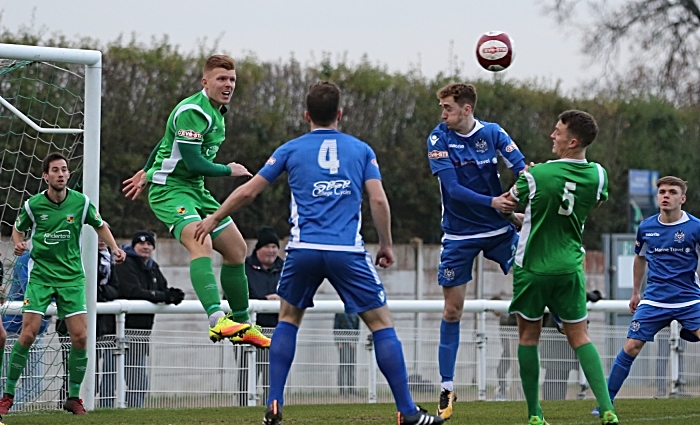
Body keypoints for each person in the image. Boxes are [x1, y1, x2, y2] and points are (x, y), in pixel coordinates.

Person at [194, 81, 445, 425]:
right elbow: (378, 200)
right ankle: (407, 411)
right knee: (381, 324)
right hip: (346, 251)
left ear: (306, 115)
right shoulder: (361, 150)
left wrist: (214, 218)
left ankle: (275, 404)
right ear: (340, 114)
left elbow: (250, 192)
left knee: (288, 320)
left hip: (303, 251)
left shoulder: (290, 150)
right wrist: (385, 243)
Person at [121, 54, 269, 349]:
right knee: (202, 241)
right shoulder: (194, 111)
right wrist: (230, 169)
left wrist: (146, 169)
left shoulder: (217, 111)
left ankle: (240, 324)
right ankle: (217, 319)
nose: (228, 85)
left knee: (237, 249)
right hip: (170, 190)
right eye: (221, 79)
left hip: (195, 189)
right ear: (206, 82)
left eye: (232, 80)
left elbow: (165, 143)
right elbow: (193, 160)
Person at [503, 110, 618, 425]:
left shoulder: (536, 175)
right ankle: (607, 408)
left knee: (528, 337)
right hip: (569, 266)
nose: (553, 135)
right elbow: (587, 204)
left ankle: (535, 414)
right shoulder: (598, 175)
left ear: (573, 141)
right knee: (579, 336)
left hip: (533, 267)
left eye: (558, 132)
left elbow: (507, 202)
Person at [425, 82, 525, 420]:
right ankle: (447, 387)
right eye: (442, 108)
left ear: (467, 109)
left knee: (533, 280)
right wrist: (495, 202)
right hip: (459, 236)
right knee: (452, 311)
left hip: (499, 230)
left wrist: (516, 203)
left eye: (448, 108)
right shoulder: (439, 138)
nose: (443, 114)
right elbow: (451, 189)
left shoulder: (493, 133)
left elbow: (522, 170)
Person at [0, 152, 126, 416]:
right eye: (55, 170)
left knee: (80, 337)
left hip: (71, 277)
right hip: (41, 276)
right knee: (28, 333)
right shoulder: (33, 205)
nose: (60, 174)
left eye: (64, 170)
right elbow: (17, 228)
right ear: (45, 176)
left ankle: (74, 397)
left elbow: (100, 225)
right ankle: (8, 394)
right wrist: (19, 243)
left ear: (69, 174)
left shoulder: (81, 203)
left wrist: (115, 248)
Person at [592, 176, 700, 415]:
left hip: (689, 299)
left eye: (672, 192)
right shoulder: (647, 227)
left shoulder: (695, 227)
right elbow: (640, 257)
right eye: (662, 191)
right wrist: (635, 292)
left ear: (682, 199)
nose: (665, 195)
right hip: (654, 299)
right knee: (631, 346)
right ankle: (605, 403)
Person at [100, 230, 184, 408]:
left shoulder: (152, 267)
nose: (146, 247)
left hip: (141, 333)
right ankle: (104, 409)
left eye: (149, 244)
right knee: (110, 375)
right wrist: (164, 296)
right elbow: (133, 292)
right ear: (134, 245)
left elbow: (162, 288)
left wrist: (169, 295)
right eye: (141, 244)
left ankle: (134, 411)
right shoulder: (125, 263)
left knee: (137, 378)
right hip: (117, 331)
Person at [57, 231, 120, 407]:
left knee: (93, 369)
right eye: (96, 236)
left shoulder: (108, 260)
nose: (100, 240)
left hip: (98, 325)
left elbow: (116, 288)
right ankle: (67, 403)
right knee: (72, 369)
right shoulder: (77, 257)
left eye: (102, 236)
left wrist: (101, 292)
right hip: (70, 321)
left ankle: (79, 403)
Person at [237, 226, 284, 406]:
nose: (272, 251)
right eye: (268, 246)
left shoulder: (285, 268)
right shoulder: (245, 268)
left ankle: (270, 406)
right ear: (258, 249)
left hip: (276, 329)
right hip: (248, 329)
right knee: (246, 371)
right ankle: (243, 407)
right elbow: (234, 294)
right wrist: (263, 300)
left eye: (274, 247)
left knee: (272, 372)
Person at [334, 312, 360, 396]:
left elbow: (357, 328)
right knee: (343, 365)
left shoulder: (355, 313)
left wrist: (354, 340)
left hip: (352, 342)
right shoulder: (339, 313)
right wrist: (339, 342)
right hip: (343, 340)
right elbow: (336, 327)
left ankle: (351, 389)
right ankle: (342, 390)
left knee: (351, 365)